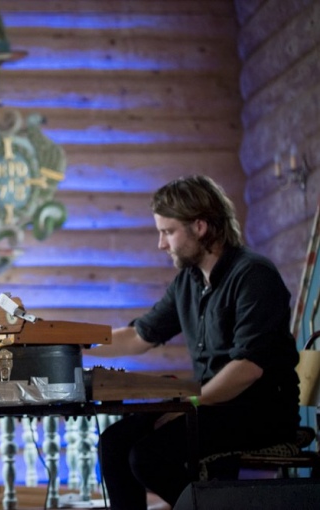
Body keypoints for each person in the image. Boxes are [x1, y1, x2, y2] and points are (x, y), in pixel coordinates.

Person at [89, 175, 300, 509]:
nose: (161, 244)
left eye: (168, 231)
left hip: (258, 412)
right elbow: (139, 336)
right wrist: (68, 342)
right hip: (213, 403)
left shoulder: (254, 275)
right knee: (114, 442)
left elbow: (247, 370)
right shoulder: (188, 281)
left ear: (200, 226)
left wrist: (189, 404)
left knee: (147, 457)